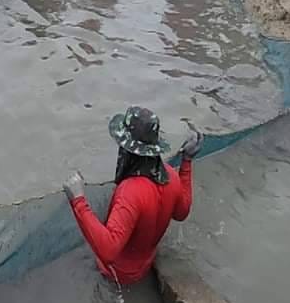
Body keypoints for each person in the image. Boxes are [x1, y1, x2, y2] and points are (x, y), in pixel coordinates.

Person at [62, 106, 200, 285]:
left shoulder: (130, 192)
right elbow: (182, 213)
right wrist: (187, 161)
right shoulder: (172, 177)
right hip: (145, 263)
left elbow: (108, 251)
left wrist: (78, 200)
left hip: (115, 273)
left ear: (127, 149)